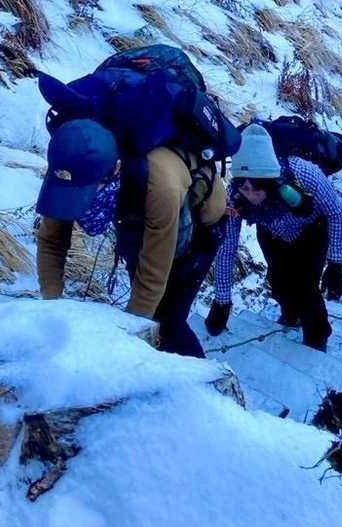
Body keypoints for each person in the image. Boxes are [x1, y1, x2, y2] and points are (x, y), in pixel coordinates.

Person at [35, 118, 228, 359]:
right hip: (134, 214)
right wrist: (52, 305)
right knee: (151, 312)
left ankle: (199, 376)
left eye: (86, 194)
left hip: (197, 227)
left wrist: (126, 347)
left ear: (114, 170)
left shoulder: (160, 183)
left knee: (166, 318)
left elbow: (152, 276)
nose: (79, 203)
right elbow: (51, 241)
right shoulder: (68, 168)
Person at [205, 122, 342, 351]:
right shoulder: (235, 196)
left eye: (256, 189)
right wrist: (222, 301)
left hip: (312, 229)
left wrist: (336, 263)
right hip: (272, 233)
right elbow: (227, 247)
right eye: (244, 188)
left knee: (306, 287)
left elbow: (335, 211)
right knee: (278, 281)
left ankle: (317, 336)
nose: (250, 196)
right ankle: (290, 314)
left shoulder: (302, 172)